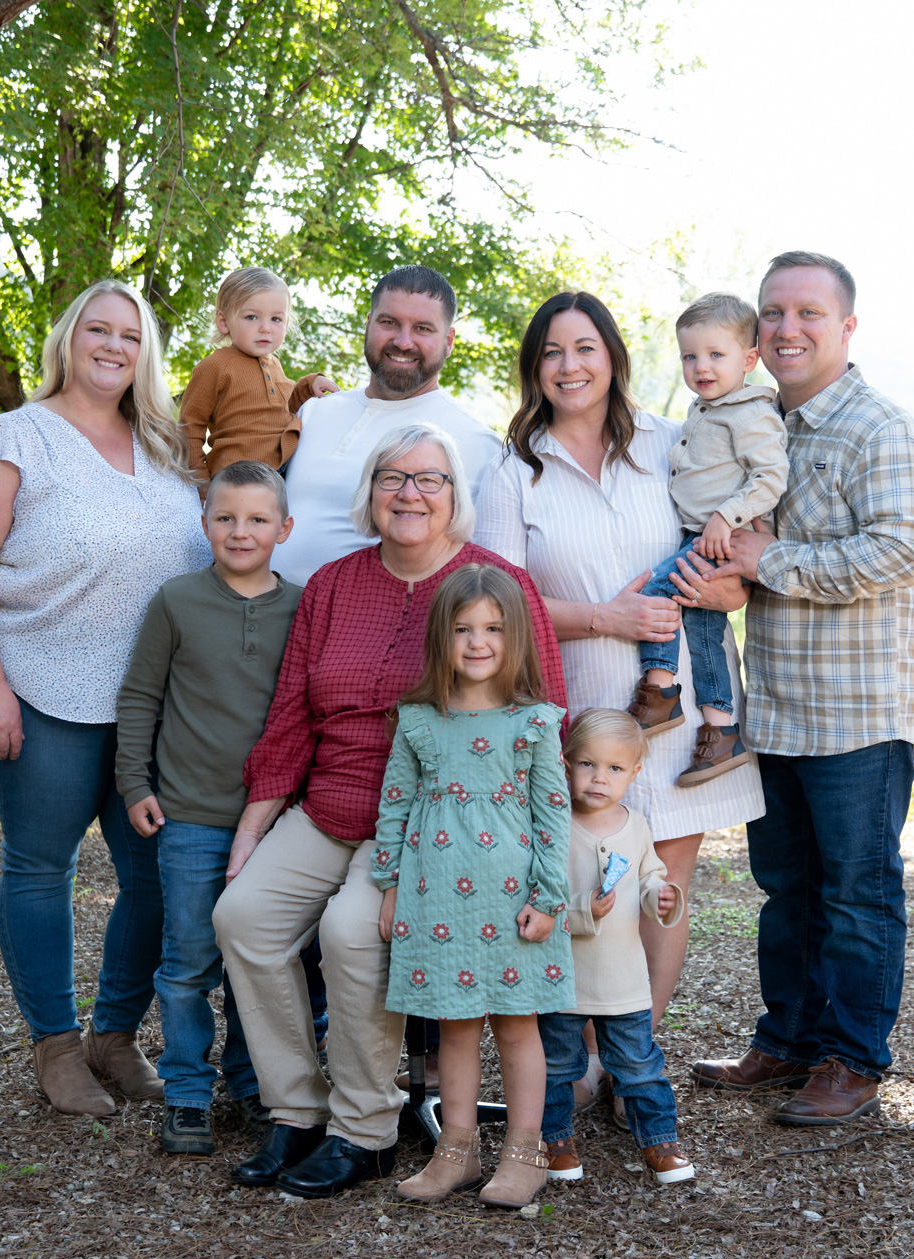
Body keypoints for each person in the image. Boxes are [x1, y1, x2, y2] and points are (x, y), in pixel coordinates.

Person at [212, 423, 567, 1199]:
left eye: (429, 479)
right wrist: (252, 832)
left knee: (351, 933)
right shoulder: (335, 585)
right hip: (327, 805)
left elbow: (540, 713)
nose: (409, 493)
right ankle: (297, 1111)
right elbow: (290, 716)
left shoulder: (495, 583)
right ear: (370, 493)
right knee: (243, 917)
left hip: (432, 826)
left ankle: (364, 1130)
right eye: (392, 478)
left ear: (455, 497)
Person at [0, 279, 211, 1117]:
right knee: (39, 869)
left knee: (158, 876)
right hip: (43, 692)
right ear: (68, 338)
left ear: (145, 353)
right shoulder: (8, 442)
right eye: (99, 329)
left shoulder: (164, 446)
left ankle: (114, 1037)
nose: (114, 345)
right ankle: (54, 1046)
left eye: (131, 335)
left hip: (152, 710)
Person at [472, 291, 764, 1052]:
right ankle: (577, 1055)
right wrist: (607, 616)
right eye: (552, 353)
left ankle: (629, 1058)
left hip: (682, 710)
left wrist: (728, 587)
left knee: (661, 887)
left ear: (613, 358)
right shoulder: (514, 473)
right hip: (580, 707)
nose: (570, 366)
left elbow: (741, 548)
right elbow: (500, 602)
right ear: (534, 369)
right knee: (582, 880)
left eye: (585, 349)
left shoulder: (674, 442)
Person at [692, 251, 914, 1124]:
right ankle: (788, 1040)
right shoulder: (761, 428)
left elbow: (898, 550)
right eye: (772, 314)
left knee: (856, 891)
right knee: (787, 888)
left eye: (808, 313)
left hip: (862, 713)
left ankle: (852, 1060)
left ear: (847, 326)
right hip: (783, 710)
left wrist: (773, 560)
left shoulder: (883, 430)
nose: (788, 328)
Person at [113, 460, 303, 1155]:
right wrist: (136, 783)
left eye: (257, 519)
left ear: (285, 528)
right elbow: (140, 696)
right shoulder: (177, 601)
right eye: (225, 518)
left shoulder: (301, 607)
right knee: (189, 958)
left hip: (278, 823)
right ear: (205, 525)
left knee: (260, 957)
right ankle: (188, 1090)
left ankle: (250, 1084)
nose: (240, 531)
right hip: (190, 815)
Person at [377, 565, 573, 1210]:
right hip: (435, 900)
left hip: (513, 900)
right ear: (443, 637)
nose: (478, 641)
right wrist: (388, 887)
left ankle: (526, 1152)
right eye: (463, 628)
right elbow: (396, 805)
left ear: (516, 637)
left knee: (518, 1027)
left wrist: (547, 898)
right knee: (453, 1030)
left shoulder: (536, 723)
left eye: (493, 628)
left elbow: (552, 816)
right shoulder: (418, 721)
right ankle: (456, 1151)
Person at [627, 294, 787, 787]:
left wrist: (725, 515)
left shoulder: (750, 413)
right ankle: (721, 731)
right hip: (703, 532)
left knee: (657, 591)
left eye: (716, 355)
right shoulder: (705, 408)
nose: (701, 366)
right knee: (702, 633)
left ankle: (659, 694)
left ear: (750, 359)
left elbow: (771, 475)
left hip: (718, 534)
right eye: (690, 356)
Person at [270, 265, 502, 584]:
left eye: (422, 328)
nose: (403, 341)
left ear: (448, 340)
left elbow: (478, 576)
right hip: (260, 618)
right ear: (368, 324)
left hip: (368, 626)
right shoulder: (315, 411)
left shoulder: (474, 441)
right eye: (389, 322)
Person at [539, 709, 693, 1185]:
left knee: (638, 1064)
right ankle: (555, 1139)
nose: (599, 778)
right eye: (587, 764)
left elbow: (649, 878)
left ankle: (659, 1141)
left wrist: (661, 897)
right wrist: (583, 910)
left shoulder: (637, 826)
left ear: (634, 773)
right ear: (566, 765)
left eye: (614, 768)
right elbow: (539, 897)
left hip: (623, 978)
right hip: (564, 976)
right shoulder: (553, 826)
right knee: (555, 1065)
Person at [176, 267, 342, 478]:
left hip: (284, 471)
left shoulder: (275, 366)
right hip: (238, 475)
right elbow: (189, 427)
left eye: (276, 319)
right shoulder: (216, 365)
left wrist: (310, 385)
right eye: (252, 317)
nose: (266, 328)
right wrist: (199, 483)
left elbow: (287, 409)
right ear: (224, 322)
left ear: (286, 323)